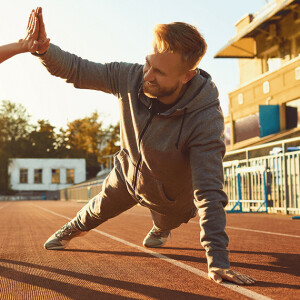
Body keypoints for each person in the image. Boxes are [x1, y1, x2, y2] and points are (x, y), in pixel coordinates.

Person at [30, 7, 255, 285]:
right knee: (93, 212)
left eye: (159, 72)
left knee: (166, 221)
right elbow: (77, 69)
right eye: (148, 64)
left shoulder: (205, 118)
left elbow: (209, 190)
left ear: (187, 76)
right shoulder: (130, 77)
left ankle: (161, 229)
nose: (147, 76)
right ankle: (72, 228)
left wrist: (218, 260)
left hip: (171, 198)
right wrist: (44, 50)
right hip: (127, 178)